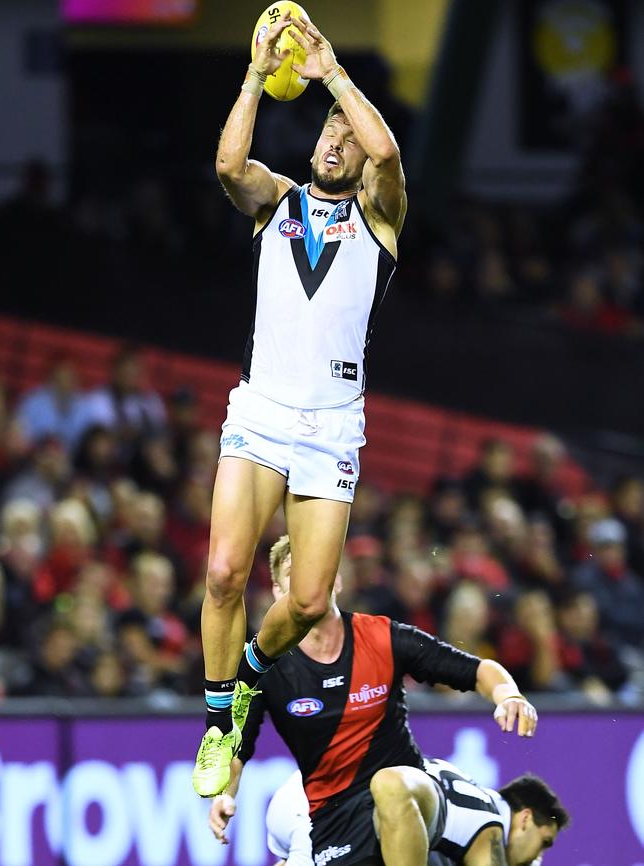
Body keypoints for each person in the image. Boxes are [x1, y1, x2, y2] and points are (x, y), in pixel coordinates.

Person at [194, 10, 407, 796]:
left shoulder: (379, 219)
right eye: (329, 131)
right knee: (222, 572)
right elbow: (227, 164)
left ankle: (251, 667)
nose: (338, 142)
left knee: (310, 599)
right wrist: (255, 74)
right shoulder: (276, 203)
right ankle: (221, 723)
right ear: (313, 137)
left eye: (347, 137)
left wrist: (332, 71)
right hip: (261, 413)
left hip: (330, 428)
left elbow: (384, 149)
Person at [209, 535, 539, 866]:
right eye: (294, 572)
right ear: (278, 593)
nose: (306, 580)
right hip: (334, 821)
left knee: (390, 784)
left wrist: (507, 694)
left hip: (414, 794)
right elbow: (237, 745)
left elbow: (477, 670)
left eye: (314, 569)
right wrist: (225, 794)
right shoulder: (262, 667)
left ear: (334, 580)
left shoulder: (383, 637)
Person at [255, 765, 568, 866]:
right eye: (545, 842)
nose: (537, 858)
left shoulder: (461, 782)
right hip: (325, 813)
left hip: (301, 791)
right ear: (525, 818)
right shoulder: (491, 831)